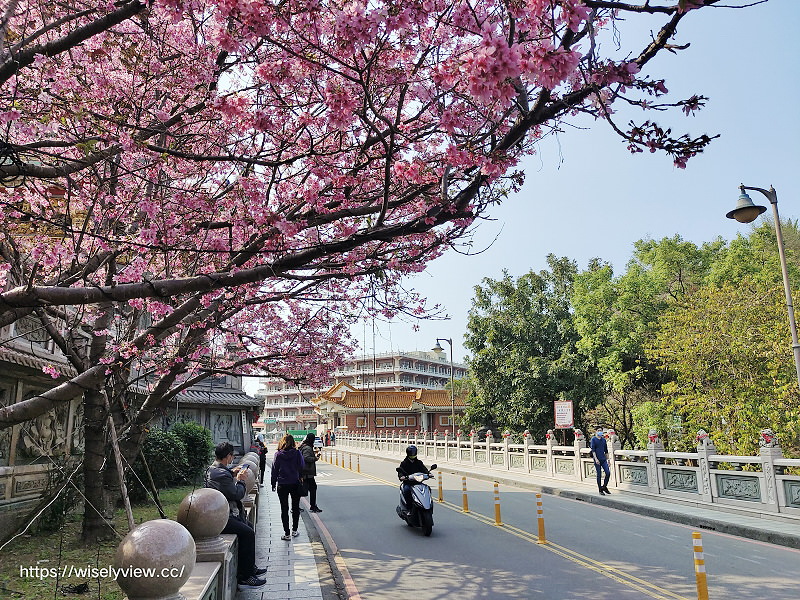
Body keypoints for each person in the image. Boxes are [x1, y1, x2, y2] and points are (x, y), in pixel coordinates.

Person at [205, 442, 267, 588]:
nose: (232, 459)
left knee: (248, 526)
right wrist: (240, 480)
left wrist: (232, 472)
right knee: (248, 532)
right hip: (220, 517)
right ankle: (246, 576)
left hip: (218, 512)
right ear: (228, 456)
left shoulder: (213, 469)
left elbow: (224, 477)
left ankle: (250, 568)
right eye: (232, 456)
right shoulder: (221, 474)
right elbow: (237, 494)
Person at [271, 434, 305, 540]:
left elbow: (274, 470)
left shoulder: (278, 454)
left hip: (282, 484)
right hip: (295, 483)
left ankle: (287, 534)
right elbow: (302, 466)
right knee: (295, 508)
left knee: (284, 509)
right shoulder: (297, 453)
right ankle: (295, 531)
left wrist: (273, 483)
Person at [396, 444, 429, 513]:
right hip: (408, 483)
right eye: (411, 453)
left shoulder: (419, 462)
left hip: (418, 482)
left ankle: (428, 506)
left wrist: (428, 473)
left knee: (428, 489)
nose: (412, 455)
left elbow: (424, 469)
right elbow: (400, 471)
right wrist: (401, 477)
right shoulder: (404, 463)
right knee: (407, 490)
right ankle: (409, 508)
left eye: (414, 453)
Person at [299, 433, 322, 513]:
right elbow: (306, 458)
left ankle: (297, 506)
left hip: (305, 472)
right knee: (311, 488)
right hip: (307, 473)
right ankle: (312, 506)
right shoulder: (307, 448)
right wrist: (315, 458)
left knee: (303, 489)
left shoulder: (304, 446)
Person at [590, 428, 611, 495]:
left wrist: (608, 460)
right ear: (596, 431)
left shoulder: (604, 440)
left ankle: (604, 486)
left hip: (603, 459)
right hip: (597, 459)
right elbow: (593, 450)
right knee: (599, 474)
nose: (600, 432)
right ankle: (600, 489)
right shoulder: (593, 439)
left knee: (608, 473)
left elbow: (606, 451)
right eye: (598, 431)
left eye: (601, 431)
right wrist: (596, 459)